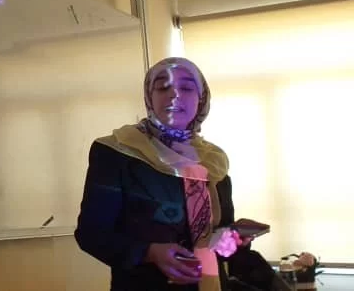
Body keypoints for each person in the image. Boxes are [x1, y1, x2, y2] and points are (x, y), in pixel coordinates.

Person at [75, 57, 250, 291]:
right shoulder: (118, 152)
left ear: (201, 98)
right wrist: (149, 252)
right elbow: (91, 234)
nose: (174, 95)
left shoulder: (213, 160)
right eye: (163, 87)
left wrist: (234, 240)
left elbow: (215, 239)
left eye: (186, 88)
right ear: (149, 96)